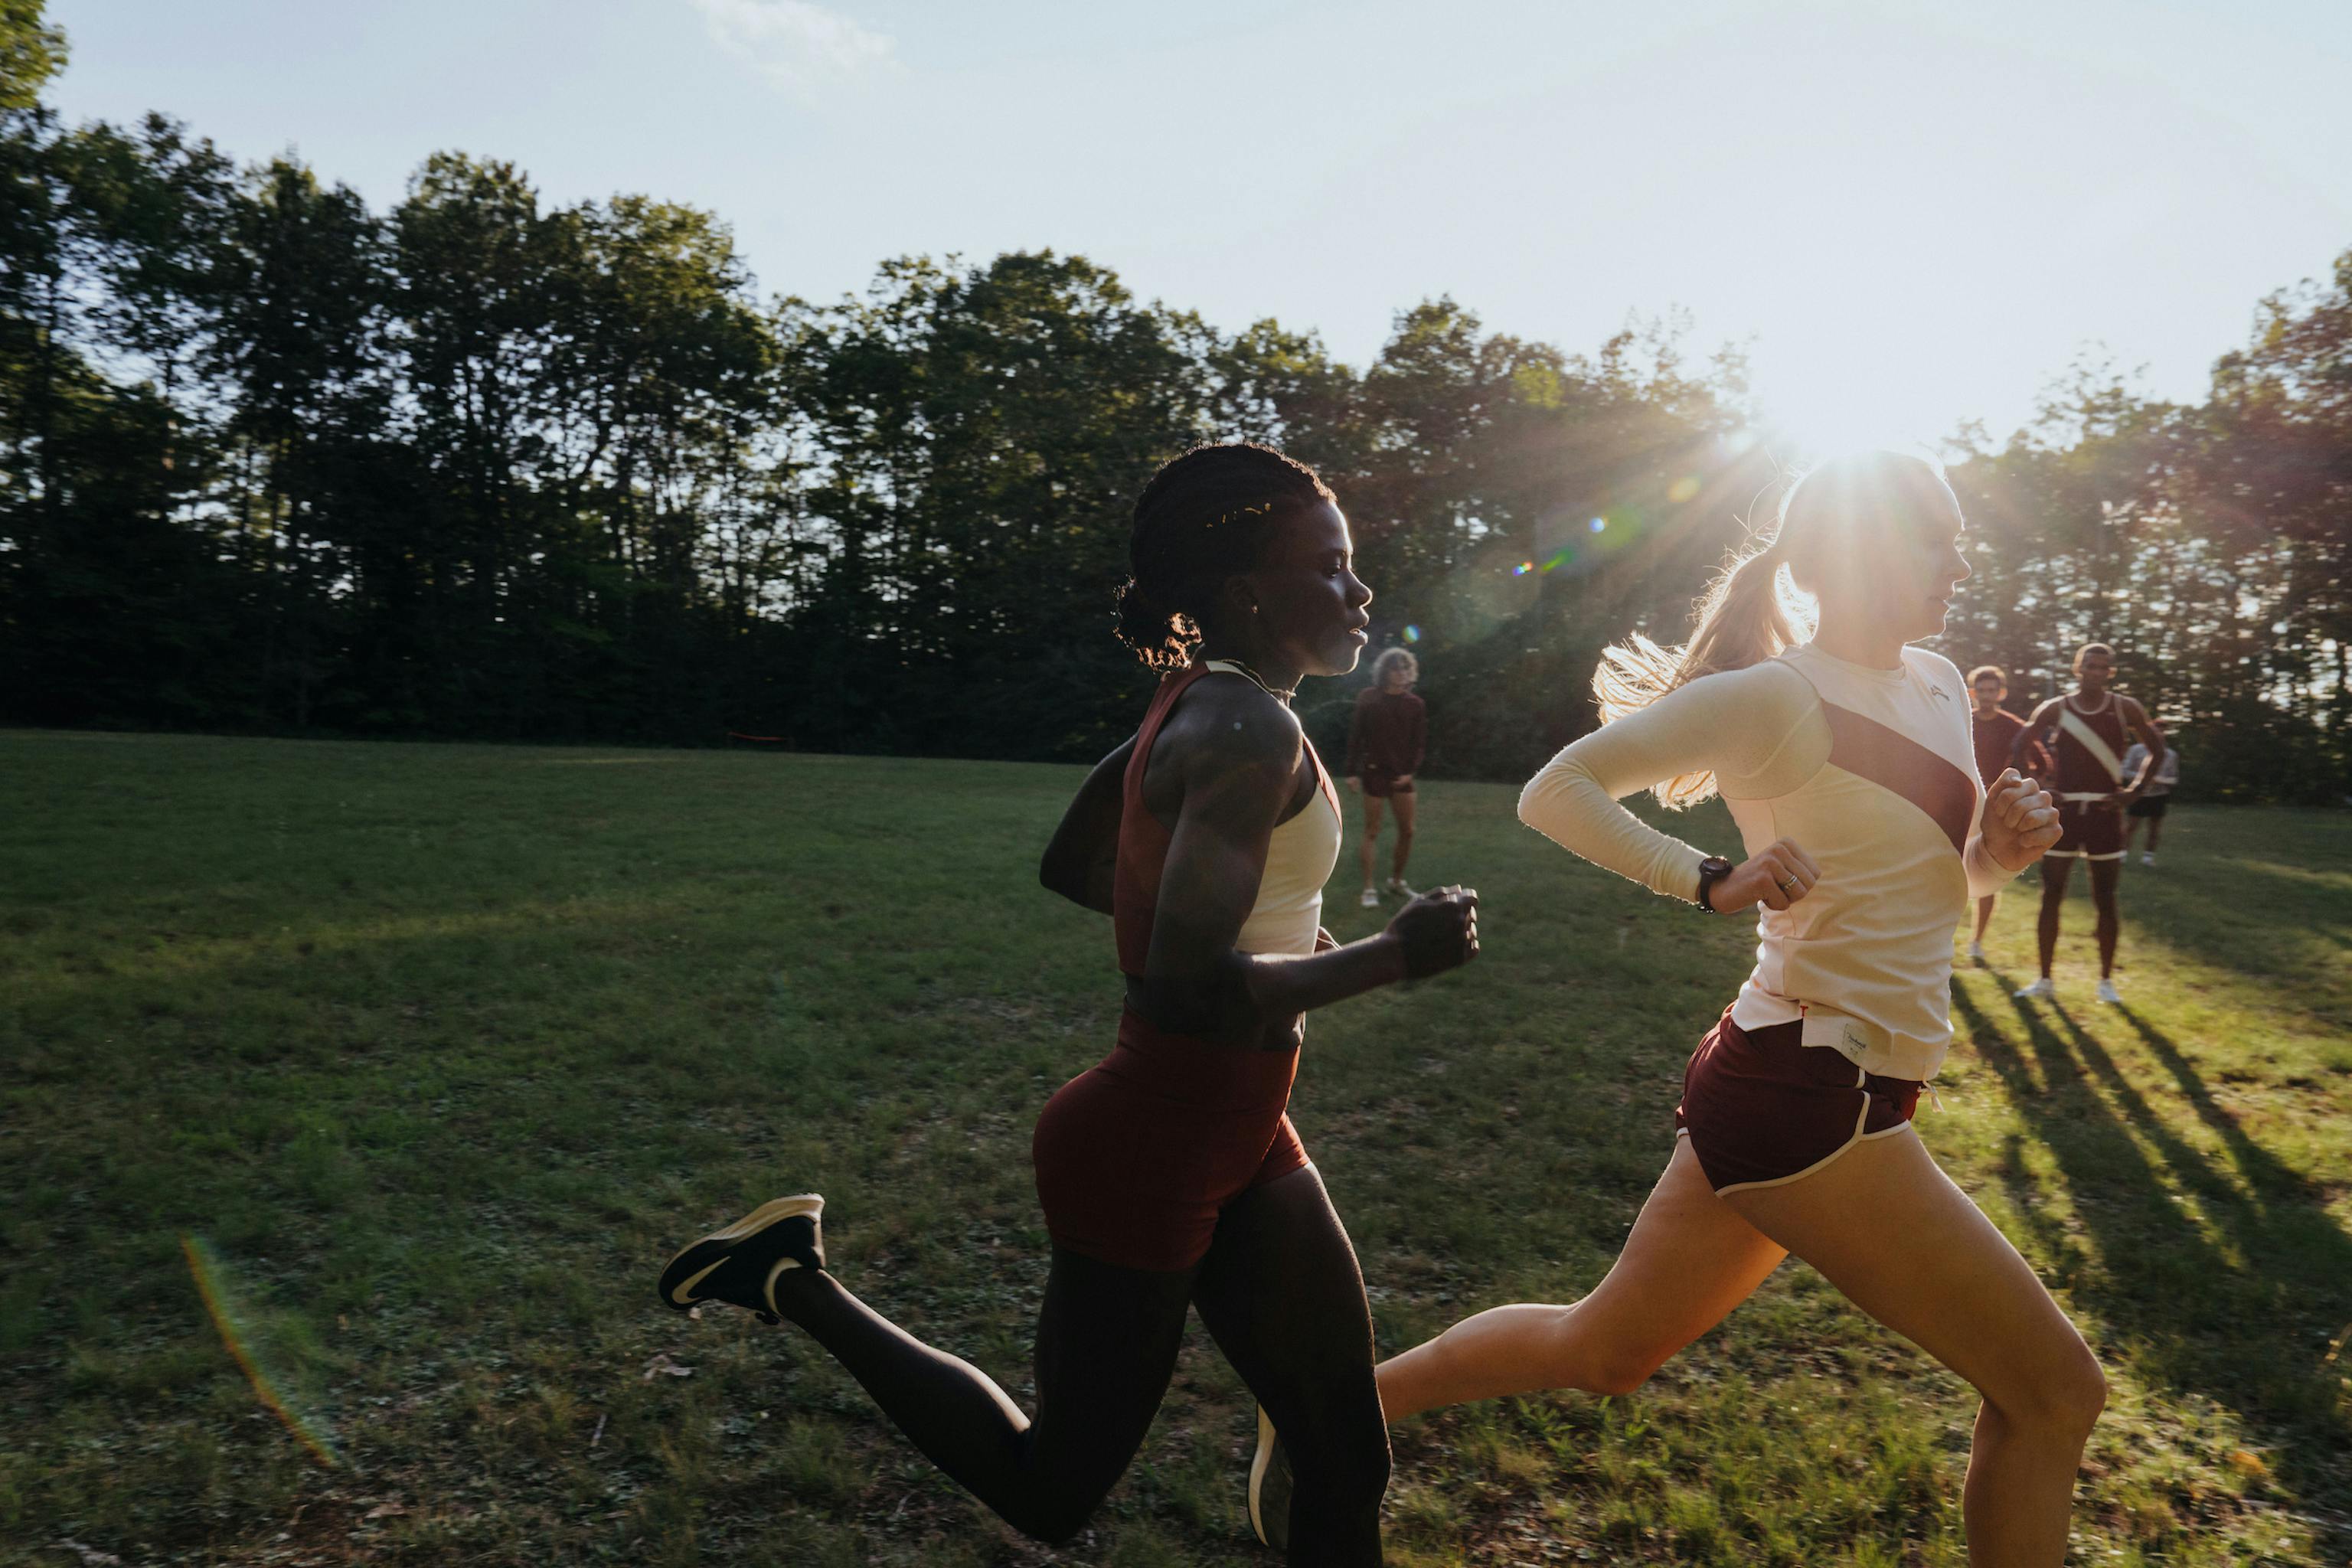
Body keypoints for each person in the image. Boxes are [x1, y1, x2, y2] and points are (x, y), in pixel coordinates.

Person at [1248, 452, 2105, 1567]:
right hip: (1814, 1091)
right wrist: (1707, 877)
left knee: (1605, 1351)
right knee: (2052, 1395)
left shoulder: (1941, 682)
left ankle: (1323, 1414)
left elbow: (1944, 881)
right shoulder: (1776, 698)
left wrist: (2001, 850)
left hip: (1785, 1075)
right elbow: (1555, 789)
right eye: (1933, 537)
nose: (1959, 558)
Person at [656, 442, 1478, 1566]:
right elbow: (1181, 987)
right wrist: (1391, 955)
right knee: (1054, 1485)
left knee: (1346, 1457)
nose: (1360, 591)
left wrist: (1285, 942)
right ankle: (787, 1279)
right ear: (1246, 588)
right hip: (1152, 1140)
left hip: (1240, 1128)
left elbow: (1079, 867)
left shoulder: (1205, 704)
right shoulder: (1245, 728)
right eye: (1330, 567)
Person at [2011, 644, 2166, 1004]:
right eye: (2090, 666)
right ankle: (2045, 979)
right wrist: (2041, 784)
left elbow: (2157, 750)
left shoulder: (2124, 707)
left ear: (2111, 672)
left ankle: (2106, 982)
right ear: (2077, 669)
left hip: (2104, 814)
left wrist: (2133, 793)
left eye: (2103, 667)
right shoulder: (2057, 707)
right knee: (2052, 894)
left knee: (2106, 897)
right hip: (2064, 814)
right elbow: (2021, 743)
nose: (2096, 672)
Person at [1346, 647, 1428, 908]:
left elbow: (1419, 745)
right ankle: (1369, 889)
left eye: (1405, 669)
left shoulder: (1416, 705)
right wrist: (1351, 772)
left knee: (1408, 831)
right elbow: (1356, 737)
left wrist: (1409, 773)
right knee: (1372, 830)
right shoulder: (1369, 698)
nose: (1401, 673)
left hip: (1402, 777)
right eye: (1396, 669)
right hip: (1374, 773)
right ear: (1385, 672)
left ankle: (1396, 882)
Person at [1965, 665, 2030, 963]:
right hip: (1961, 801)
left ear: (2001, 693)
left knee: (1985, 868)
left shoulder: (2014, 726)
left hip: (1995, 809)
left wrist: (2014, 789)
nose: (1987, 696)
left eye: (1993, 690)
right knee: (1947, 868)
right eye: (1982, 691)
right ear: (1973, 693)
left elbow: (2039, 762)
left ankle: (1977, 939)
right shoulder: (1961, 719)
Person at [2120, 733, 2179, 866]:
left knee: (2154, 828)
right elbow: (2124, 770)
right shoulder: (2136, 750)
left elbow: (2174, 778)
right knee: (2131, 826)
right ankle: (2122, 855)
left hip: (2159, 795)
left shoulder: (2171, 754)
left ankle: (2148, 857)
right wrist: (2144, 777)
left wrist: (2159, 780)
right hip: (2138, 793)